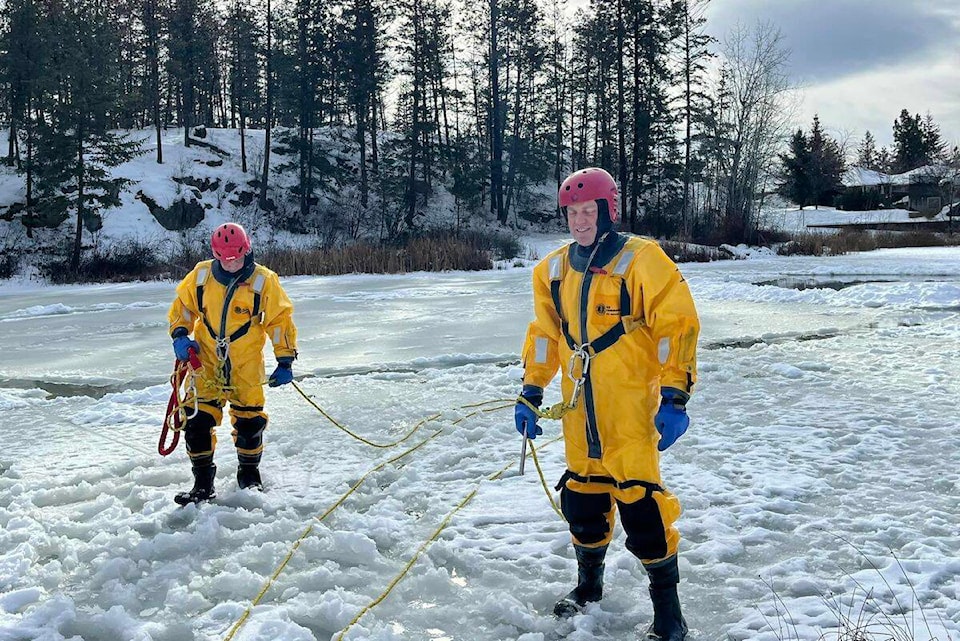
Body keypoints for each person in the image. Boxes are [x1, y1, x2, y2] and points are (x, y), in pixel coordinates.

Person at [514, 168, 700, 640]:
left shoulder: (642, 260)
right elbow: (544, 335)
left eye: (587, 211)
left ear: (606, 210)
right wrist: (531, 388)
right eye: (572, 213)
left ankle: (669, 614)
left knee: (642, 506)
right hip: (578, 411)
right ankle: (588, 586)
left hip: (630, 409)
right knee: (582, 498)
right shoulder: (552, 270)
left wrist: (675, 394)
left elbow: (676, 325)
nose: (579, 221)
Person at [167, 222, 298, 505]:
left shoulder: (264, 281)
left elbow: (279, 321)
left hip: (245, 363)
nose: (230, 265)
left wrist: (285, 359)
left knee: (250, 424)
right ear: (216, 256)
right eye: (224, 260)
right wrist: (180, 334)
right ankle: (202, 484)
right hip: (206, 361)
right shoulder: (201, 276)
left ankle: (249, 476)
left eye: (236, 259)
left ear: (246, 251)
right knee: (196, 421)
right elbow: (183, 308)